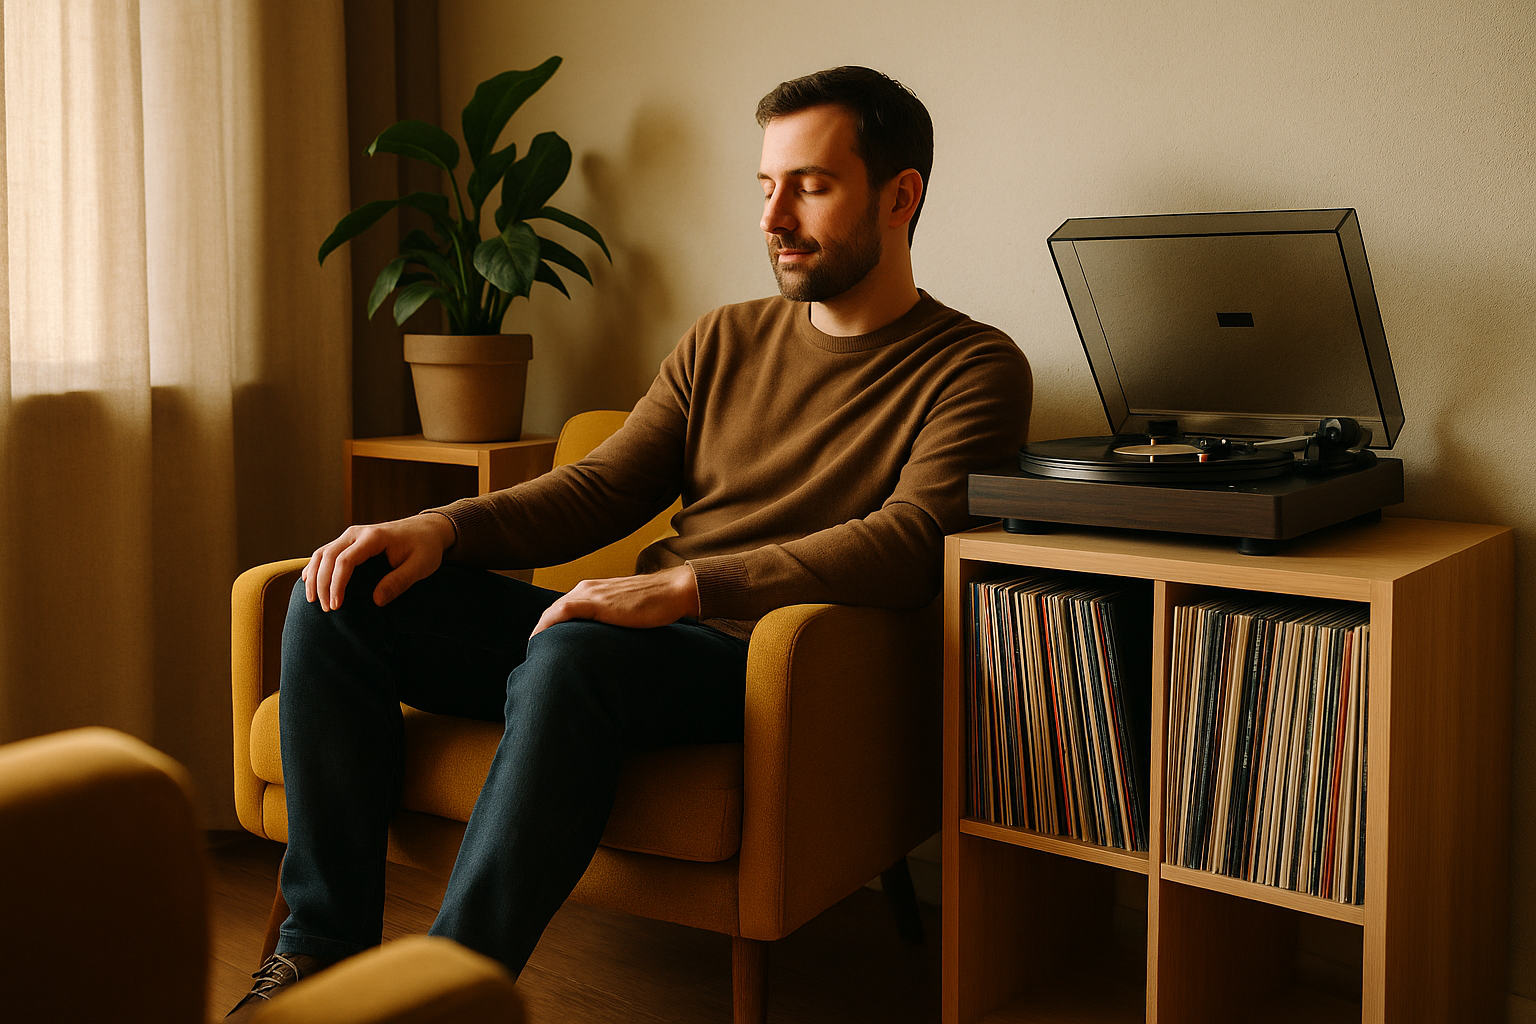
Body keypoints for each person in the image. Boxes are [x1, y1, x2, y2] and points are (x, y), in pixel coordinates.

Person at [227, 65, 1032, 1019]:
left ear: (902, 196)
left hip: (765, 661)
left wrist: (689, 590)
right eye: (766, 185)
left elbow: (908, 542)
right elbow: (603, 486)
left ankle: (443, 995)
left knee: (574, 653)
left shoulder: (976, 366)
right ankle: (316, 957)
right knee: (345, 593)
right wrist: (439, 528)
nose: (775, 216)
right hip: (622, 641)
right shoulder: (724, 339)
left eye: (811, 187)